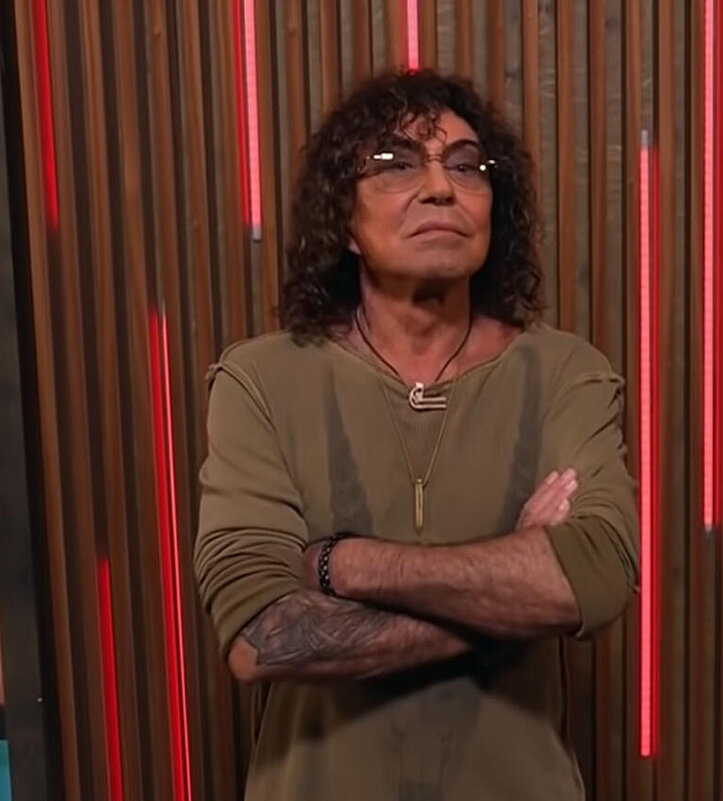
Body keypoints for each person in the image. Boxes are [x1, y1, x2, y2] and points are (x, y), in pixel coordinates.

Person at [194, 69, 639, 801]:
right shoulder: (260, 380)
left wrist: (342, 563)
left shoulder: (565, 372)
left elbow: (594, 577)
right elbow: (260, 635)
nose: (440, 187)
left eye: (466, 166)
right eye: (396, 163)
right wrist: (510, 601)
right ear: (344, 220)